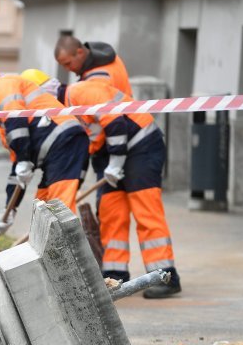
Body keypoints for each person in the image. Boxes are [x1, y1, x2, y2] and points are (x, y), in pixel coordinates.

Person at [63, 78, 181, 298]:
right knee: (111, 213)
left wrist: (116, 163)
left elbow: (115, 123)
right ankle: (115, 278)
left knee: (146, 212)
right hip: (110, 156)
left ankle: (165, 276)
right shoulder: (66, 112)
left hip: (142, 147)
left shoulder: (83, 92)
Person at [0, 62, 89, 235]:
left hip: (66, 143)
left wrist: (23, 159)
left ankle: (71, 255)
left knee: (60, 208)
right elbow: (17, 172)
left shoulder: (1, 85)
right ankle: (50, 255)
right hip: (57, 149)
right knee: (43, 206)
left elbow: (16, 119)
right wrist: (9, 210)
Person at [54, 35, 132, 97]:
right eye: (63, 66)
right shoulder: (109, 57)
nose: (67, 69)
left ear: (80, 52)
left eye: (68, 63)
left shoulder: (97, 77)